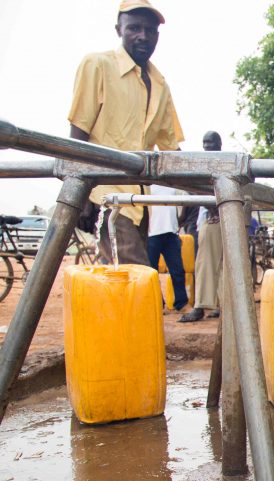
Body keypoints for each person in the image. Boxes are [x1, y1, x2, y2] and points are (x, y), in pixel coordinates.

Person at [68, 0, 183, 265]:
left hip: (139, 203)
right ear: (118, 29)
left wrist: (209, 183)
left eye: (150, 30)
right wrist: (79, 195)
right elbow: (77, 134)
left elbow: (170, 147)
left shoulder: (160, 84)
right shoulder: (98, 65)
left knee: (126, 280)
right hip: (105, 195)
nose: (143, 36)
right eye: (134, 28)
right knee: (136, 274)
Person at [180, 132, 223, 322]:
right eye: (204, 143)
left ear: (219, 145)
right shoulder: (206, 165)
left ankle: (201, 306)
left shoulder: (218, 164)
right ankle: (218, 304)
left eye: (211, 143)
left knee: (206, 263)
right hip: (212, 217)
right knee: (218, 265)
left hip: (216, 219)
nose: (207, 146)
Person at [147, 184, 188, 313]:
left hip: (171, 233)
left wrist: (177, 228)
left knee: (178, 270)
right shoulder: (148, 186)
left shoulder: (172, 185)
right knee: (152, 273)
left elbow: (180, 205)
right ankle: (158, 304)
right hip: (152, 233)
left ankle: (181, 303)